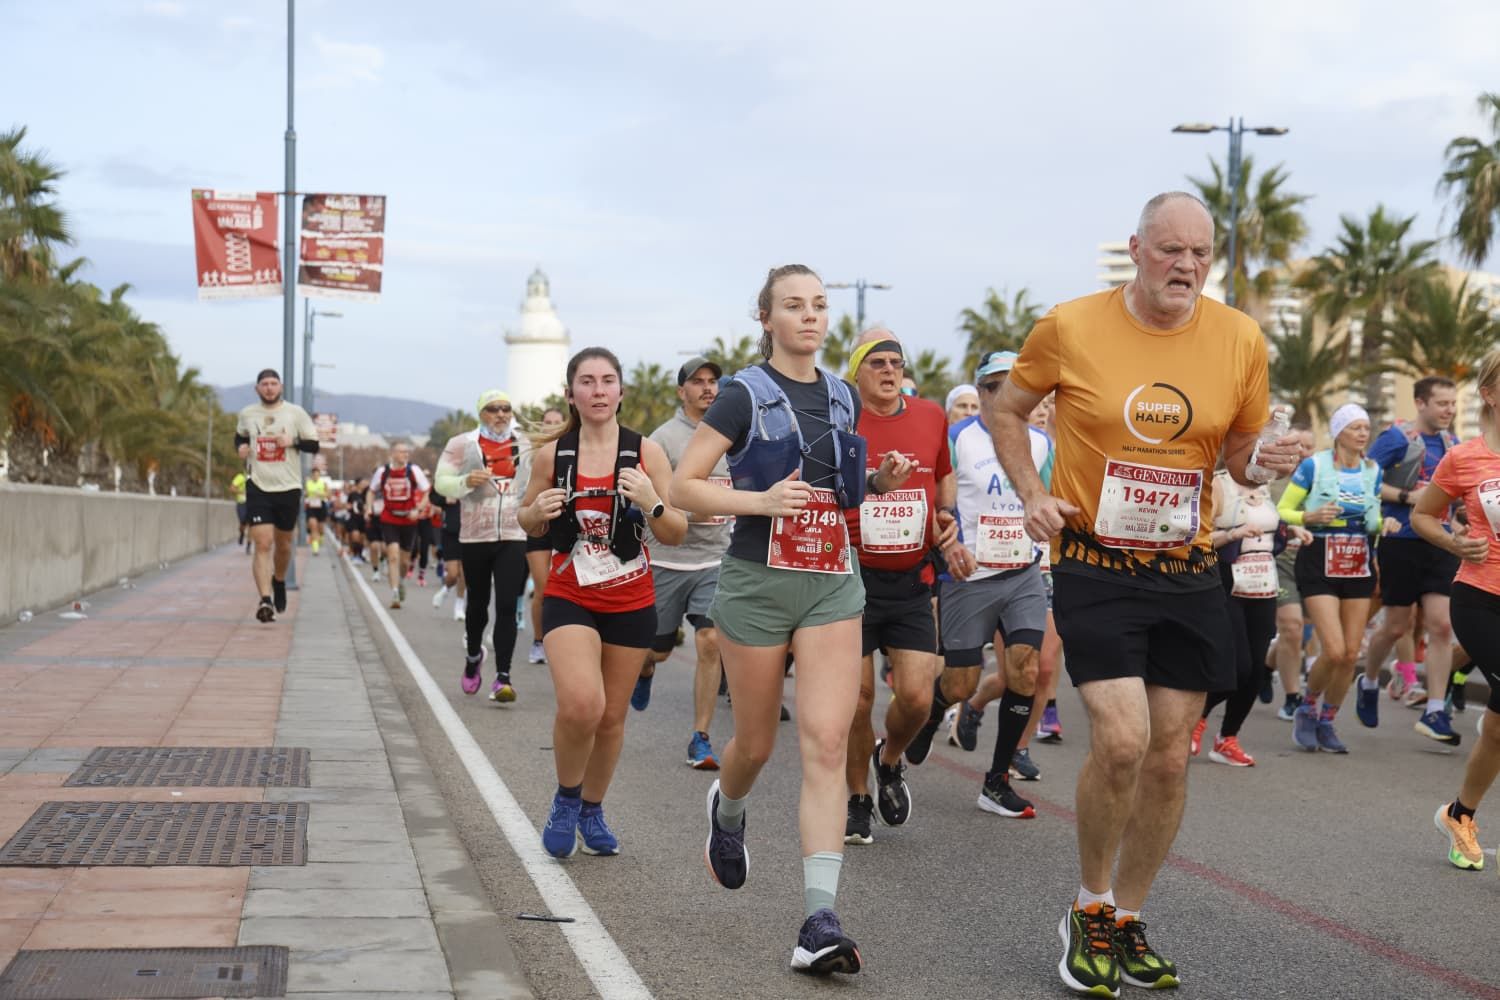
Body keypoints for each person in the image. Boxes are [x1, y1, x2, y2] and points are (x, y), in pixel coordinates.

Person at [992, 192, 1299, 997]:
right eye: (1171, 251)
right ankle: (1089, 904)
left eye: (1200, 254)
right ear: (1137, 249)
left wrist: (1268, 462)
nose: (1187, 266)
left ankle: (1128, 917)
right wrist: (1031, 490)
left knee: (1169, 755)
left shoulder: (1239, 337)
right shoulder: (1070, 325)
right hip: (1095, 561)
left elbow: (1238, 456)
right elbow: (1009, 409)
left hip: (1188, 565)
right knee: (1123, 742)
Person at [672, 265, 907, 976]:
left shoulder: (842, 395)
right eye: (794, 306)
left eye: (819, 306)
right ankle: (729, 809)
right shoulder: (742, 394)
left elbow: (837, 488)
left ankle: (818, 920)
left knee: (830, 743)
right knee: (753, 744)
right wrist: (758, 502)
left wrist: (877, 485)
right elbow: (684, 488)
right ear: (767, 318)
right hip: (755, 584)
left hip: (833, 581)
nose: (809, 317)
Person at [517, 348, 687, 860]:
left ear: (620, 392)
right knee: (581, 706)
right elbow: (526, 522)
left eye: (607, 380)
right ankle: (566, 800)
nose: (597, 390)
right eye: (586, 381)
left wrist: (651, 501)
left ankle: (593, 809)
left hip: (632, 597)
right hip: (571, 594)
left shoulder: (646, 454)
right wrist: (536, 512)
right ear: (571, 393)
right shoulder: (554, 455)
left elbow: (675, 531)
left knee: (612, 718)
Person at [905, 350, 1051, 820]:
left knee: (1027, 669)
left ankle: (997, 780)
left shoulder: (1041, 442)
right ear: (981, 392)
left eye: (1014, 387)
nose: (1005, 395)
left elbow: (1045, 498)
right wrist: (949, 546)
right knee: (961, 682)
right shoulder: (957, 439)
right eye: (994, 387)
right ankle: (932, 716)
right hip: (969, 575)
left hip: (1023, 571)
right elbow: (931, 498)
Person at [842, 331, 950, 844]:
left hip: (913, 579)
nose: (889, 370)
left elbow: (943, 479)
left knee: (917, 698)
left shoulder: (931, 416)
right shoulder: (841, 420)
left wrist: (947, 518)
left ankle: (888, 759)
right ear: (857, 371)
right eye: (877, 362)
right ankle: (858, 800)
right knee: (859, 700)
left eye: (896, 362)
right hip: (852, 580)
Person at [1412, 353, 1500, 870]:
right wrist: (1455, 544)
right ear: (1490, 394)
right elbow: (1424, 515)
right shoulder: (1465, 458)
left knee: (1497, 729)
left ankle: (1459, 814)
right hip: (1482, 599)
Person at [1276, 403, 1394, 753]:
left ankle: (1327, 719)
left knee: (1350, 654)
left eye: (1366, 427)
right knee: (1334, 648)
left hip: (1357, 560)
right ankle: (1307, 706)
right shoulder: (1315, 466)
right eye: (1355, 427)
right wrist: (1309, 516)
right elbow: (1283, 509)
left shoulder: (1373, 470)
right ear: (1339, 431)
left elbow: (1372, 517)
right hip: (1318, 559)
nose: (1363, 433)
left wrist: (1384, 523)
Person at [638, 356, 734, 770]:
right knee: (653, 653)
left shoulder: (734, 434)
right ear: (682, 392)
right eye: (697, 382)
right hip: (667, 559)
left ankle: (701, 737)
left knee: (710, 641)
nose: (707, 388)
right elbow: (651, 502)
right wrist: (694, 511)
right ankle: (644, 671)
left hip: (716, 558)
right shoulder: (662, 440)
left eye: (713, 381)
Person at [1356, 376, 1462, 744]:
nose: (1449, 410)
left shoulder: (1453, 444)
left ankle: (1435, 711)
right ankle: (1368, 680)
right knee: (1396, 627)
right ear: (1420, 403)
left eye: (1453, 403)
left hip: (1441, 541)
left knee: (1442, 626)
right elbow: (1365, 479)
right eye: (1442, 403)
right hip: (1400, 539)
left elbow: (1459, 493)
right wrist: (1406, 496)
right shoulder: (1397, 439)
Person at [1190, 467, 1297, 766]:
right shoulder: (1220, 484)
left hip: (1263, 581)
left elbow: (1272, 523)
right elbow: (1196, 538)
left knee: (1255, 669)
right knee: (1238, 666)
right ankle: (1196, 717)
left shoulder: (1265, 486)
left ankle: (1228, 738)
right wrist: (1233, 533)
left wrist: (1291, 530)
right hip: (1227, 579)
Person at [436, 390, 532, 702]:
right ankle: (474, 657)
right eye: (494, 409)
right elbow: (441, 482)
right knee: (477, 606)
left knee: (507, 605)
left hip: (514, 534)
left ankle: (503, 677)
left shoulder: (525, 442)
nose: (501, 414)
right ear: (482, 413)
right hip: (475, 535)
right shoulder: (462, 444)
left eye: (506, 408)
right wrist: (465, 482)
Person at [234, 369, 319, 623]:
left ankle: (279, 580)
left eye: (273, 383)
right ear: (257, 388)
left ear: (281, 386)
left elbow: (313, 445)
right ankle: (265, 600)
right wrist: (240, 448)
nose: (269, 388)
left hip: (288, 487)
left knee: (283, 545)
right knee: (262, 542)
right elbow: (239, 437)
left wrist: (291, 441)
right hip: (258, 485)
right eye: (264, 384)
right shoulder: (248, 414)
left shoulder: (295, 413)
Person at [1270, 425, 1317, 720]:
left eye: (1308, 447)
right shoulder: (1268, 480)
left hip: (1313, 562)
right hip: (1279, 561)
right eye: (1296, 446)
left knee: (1302, 631)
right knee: (1291, 627)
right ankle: (1291, 696)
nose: (1302, 453)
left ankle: (1266, 667)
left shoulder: (1324, 478)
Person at [525, 407, 567, 664]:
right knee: (543, 588)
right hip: (540, 527)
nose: (552, 426)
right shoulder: (533, 456)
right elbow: (522, 496)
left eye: (556, 422)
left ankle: (563, 641)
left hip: (567, 527)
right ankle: (539, 641)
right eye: (547, 422)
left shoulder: (575, 449)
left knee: (567, 591)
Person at [369, 442, 431, 609]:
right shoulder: (383, 472)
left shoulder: (414, 470)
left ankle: (401, 581)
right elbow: (371, 490)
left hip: (409, 519)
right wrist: (368, 507)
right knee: (393, 555)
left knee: (404, 561)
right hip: (389, 518)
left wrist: (418, 509)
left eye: (407, 452)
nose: (405, 454)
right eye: (402, 452)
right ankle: (395, 593)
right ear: (393, 454)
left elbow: (427, 491)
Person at [431, 490, 466, 621]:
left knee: (464, 573)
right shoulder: (448, 477)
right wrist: (445, 499)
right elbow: (433, 496)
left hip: (469, 531)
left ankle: (459, 605)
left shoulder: (474, 474)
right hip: (450, 532)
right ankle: (445, 590)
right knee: (452, 573)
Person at [304, 466, 330, 556]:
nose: (315, 476)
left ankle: (320, 537)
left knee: (320, 529)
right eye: (313, 474)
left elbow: (329, 495)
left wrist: (321, 494)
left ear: (319, 475)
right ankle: (315, 549)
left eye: (317, 474)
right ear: (312, 475)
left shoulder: (323, 483)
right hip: (311, 507)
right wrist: (306, 494)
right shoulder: (308, 483)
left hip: (321, 506)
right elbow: (305, 494)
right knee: (313, 526)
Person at [231, 467, 250, 551]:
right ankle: (242, 533)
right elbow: (232, 488)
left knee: (252, 525)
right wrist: (242, 492)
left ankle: (249, 545)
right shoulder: (241, 477)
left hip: (252, 504)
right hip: (242, 503)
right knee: (243, 522)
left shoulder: (257, 478)